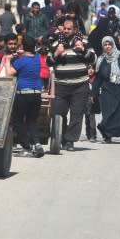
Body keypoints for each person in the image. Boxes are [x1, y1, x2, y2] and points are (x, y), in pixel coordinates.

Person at [50, 19, 96, 152]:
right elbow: (48, 60)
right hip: (61, 85)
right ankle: (61, 138)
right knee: (58, 113)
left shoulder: (84, 42)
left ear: (75, 30)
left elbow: (94, 59)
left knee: (76, 114)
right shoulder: (55, 43)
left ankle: (70, 141)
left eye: (69, 29)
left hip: (80, 85)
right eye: (64, 28)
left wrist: (83, 50)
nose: (65, 31)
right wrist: (56, 54)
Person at [3, 36, 45, 158]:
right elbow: (33, 52)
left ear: (22, 47)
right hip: (37, 93)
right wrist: (21, 52)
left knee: (18, 121)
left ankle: (26, 148)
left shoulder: (21, 61)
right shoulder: (37, 58)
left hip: (23, 94)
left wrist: (7, 60)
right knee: (32, 121)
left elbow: (9, 73)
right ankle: (37, 144)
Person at [84, 64, 100, 142]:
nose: (91, 70)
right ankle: (88, 134)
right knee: (87, 117)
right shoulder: (84, 79)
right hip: (84, 100)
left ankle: (93, 134)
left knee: (91, 116)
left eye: (92, 69)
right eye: (89, 68)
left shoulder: (96, 79)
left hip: (93, 100)